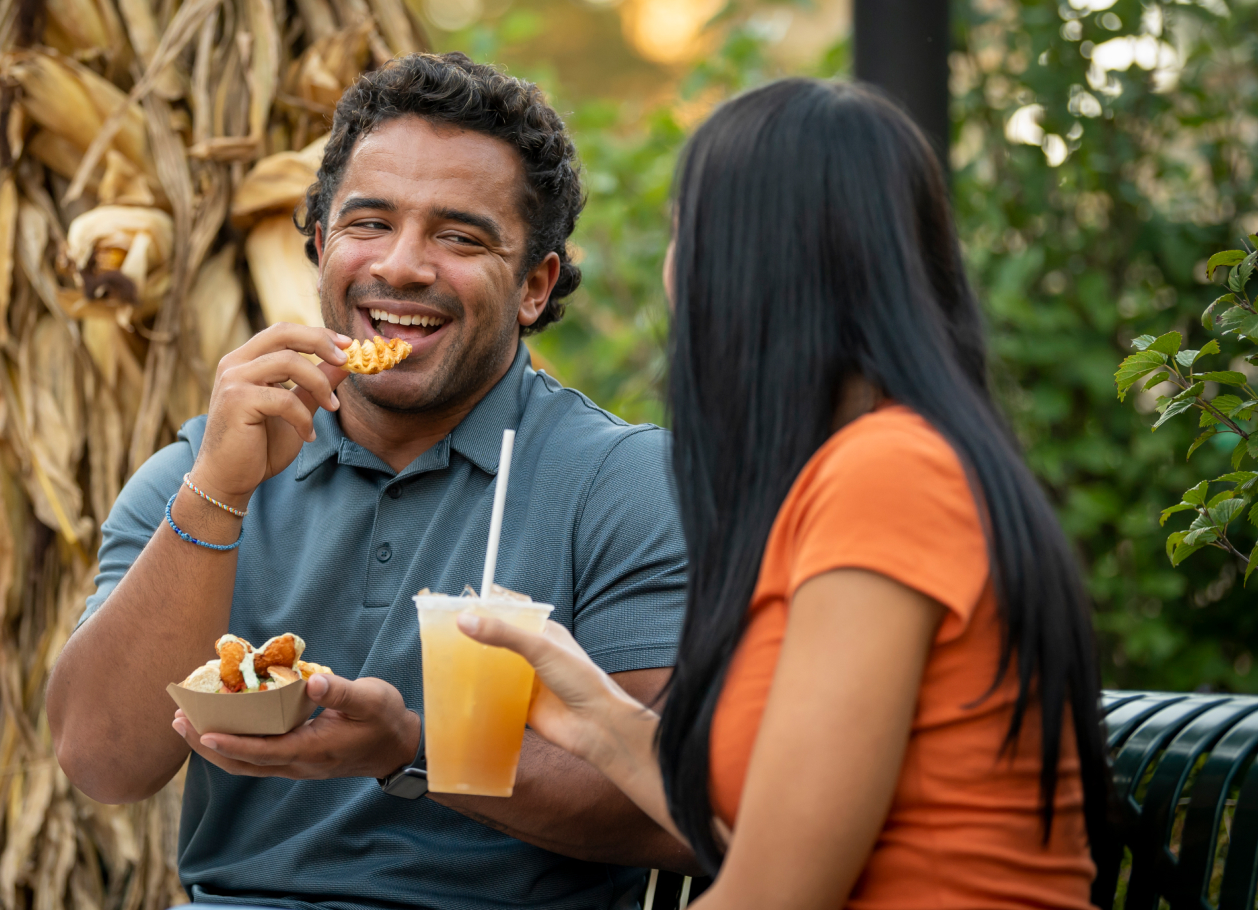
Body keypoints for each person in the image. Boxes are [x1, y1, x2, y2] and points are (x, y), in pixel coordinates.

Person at [47, 52, 697, 910]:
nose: (402, 266)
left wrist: (410, 752)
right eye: (369, 224)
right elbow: (104, 760)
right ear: (320, 249)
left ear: (535, 286)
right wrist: (217, 494)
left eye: (459, 236)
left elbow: (672, 816)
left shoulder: (625, 483)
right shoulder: (201, 470)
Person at [460, 77, 1114, 908]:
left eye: (682, 233)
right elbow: (763, 839)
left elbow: (776, 893)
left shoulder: (889, 476)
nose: (672, 272)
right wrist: (591, 711)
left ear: (750, 263)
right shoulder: (877, 465)